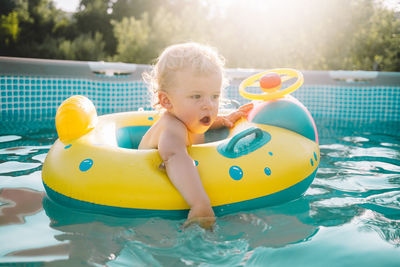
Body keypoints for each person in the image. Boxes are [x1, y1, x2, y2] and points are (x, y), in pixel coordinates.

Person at [139, 43, 253, 228]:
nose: (208, 105)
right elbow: (175, 157)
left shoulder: (189, 118)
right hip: (145, 193)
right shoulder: (172, 129)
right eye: (197, 96)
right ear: (166, 100)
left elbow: (199, 126)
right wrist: (199, 203)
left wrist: (223, 120)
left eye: (214, 96)